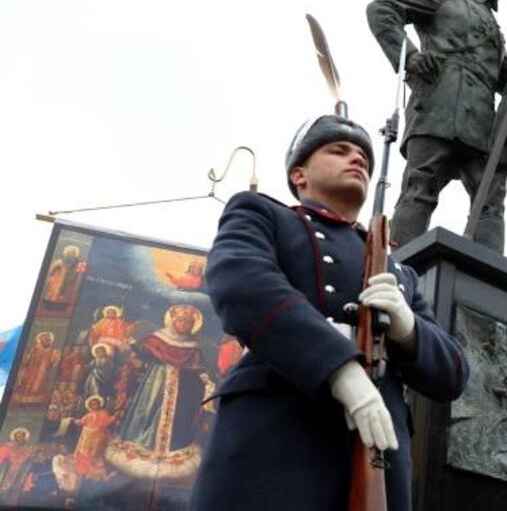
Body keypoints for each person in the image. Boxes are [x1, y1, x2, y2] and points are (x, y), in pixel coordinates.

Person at [189, 114, 470, 511]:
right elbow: (243, 285)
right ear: (299, 174)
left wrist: (409, 330)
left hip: (377, 454)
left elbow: (454, 373)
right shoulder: (263, 215)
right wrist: (340, 370)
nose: (356, 160)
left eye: (363, 159)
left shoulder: (398, 272)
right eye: (339, 151)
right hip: (277, 437)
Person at [366, 0, 507, 253]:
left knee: (491, 199)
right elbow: (381, 10)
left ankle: (488, 275)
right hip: (437, 103)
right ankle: (401, 266)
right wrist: (411, 57)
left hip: (481, 119)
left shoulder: (493, 28)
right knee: (421, 186)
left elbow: (500, 71)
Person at [104, 304, 211, 480]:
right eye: (181, 321)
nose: (185, 325)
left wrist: (205, 382)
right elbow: (141, 353)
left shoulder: (192, 346)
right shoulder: (157, 339)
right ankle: (141, 449)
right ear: (173, 321)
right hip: (155, 385)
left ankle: (171, 453)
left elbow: (199, 368)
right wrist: (129, 342)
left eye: (188, 322)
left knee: (178, 419)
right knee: (147, 412)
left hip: (182, 391)